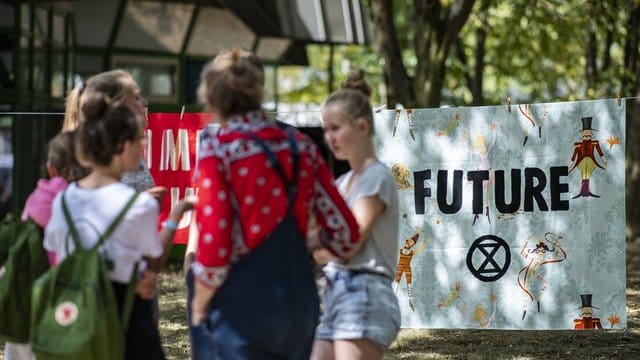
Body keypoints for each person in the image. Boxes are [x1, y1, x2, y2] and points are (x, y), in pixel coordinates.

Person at [188, 48, 361, 359]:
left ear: (211, 97)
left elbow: (215, 245)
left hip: (239, 307)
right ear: (258, 91)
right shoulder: (301, 147)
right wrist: (308, 242)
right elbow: (346, 234)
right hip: (297, 303)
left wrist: (199, 303)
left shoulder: (218, 150)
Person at [43, 89, 194, 359]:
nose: (144, 145)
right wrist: (176, 216)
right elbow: (153, 260)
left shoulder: (63, 200)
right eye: (139, 141)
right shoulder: (137, 205)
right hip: (125, 311)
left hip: (80, 311)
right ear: (124, 147)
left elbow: (55, 250)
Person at [311, 69, 401, 360]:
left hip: (365, 293)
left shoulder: (376, 177)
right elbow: (325, 250)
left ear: (362, 127)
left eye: (335, 128)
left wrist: (314, 239)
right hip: (336, 293)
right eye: (326, 130)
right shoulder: (340, 183)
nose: (329, 138)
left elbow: (349, 242)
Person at [3, 130, 88, 360]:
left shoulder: (36, 199)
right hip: (65, 301)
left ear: (51, 167)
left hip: (28, 297)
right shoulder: (85, 203)